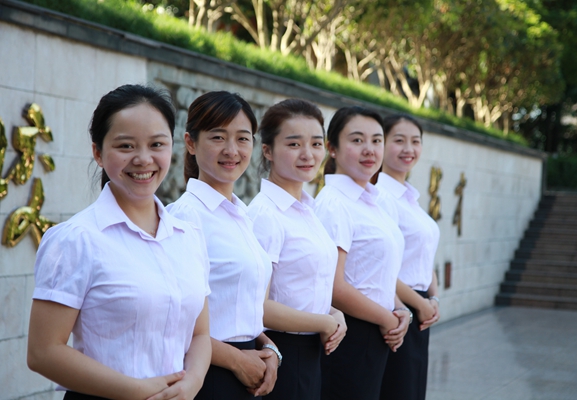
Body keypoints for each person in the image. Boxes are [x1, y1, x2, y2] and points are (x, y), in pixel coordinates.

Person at [27, 84, 212, 400]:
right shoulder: (77, 239)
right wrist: (138, 391)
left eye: (157, 144)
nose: (143, 159)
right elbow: (43, 352)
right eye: (126, 146)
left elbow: (200, 333)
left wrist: (192, 382)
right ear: (98, 153)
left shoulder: (188, 235)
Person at [167, 91, 280, 399]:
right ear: (191, 143)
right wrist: (237, 361)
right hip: (210, 373)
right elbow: (175, 319)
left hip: (248, 365)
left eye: (242, 139)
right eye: (218, 137)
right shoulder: (187, 216)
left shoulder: (241, 214)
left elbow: (236, 306)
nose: (232, 150)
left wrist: (269, 348)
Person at [247, 99, 347, 400]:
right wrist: (324, 321)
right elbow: (257, 306)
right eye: (294, 144)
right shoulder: (265, 215)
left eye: (315, 143)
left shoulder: (307, 210)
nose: (308, 154)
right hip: (282, 353)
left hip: (312, 351)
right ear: (267, 150)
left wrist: (334, 312)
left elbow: (304, 287)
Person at [313, 106, 411, 400]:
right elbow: (334, 286)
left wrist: (399, 308)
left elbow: (379, 273)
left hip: (378, 329)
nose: (369, 149)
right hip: (351, 333)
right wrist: (388, 319)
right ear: (332, 148)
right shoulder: (335, 203)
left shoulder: (373, 201)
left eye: (376, 140)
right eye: (357, 140)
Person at [375, 114, 440, 400]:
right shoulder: (381, 196)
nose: (408, 149)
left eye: (415, 141)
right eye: (399, 141)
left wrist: (433, 298)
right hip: (398, 308)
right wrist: (420, 304)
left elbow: (425, 254)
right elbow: (381, 268)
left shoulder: (410, 197)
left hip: (420, 306)